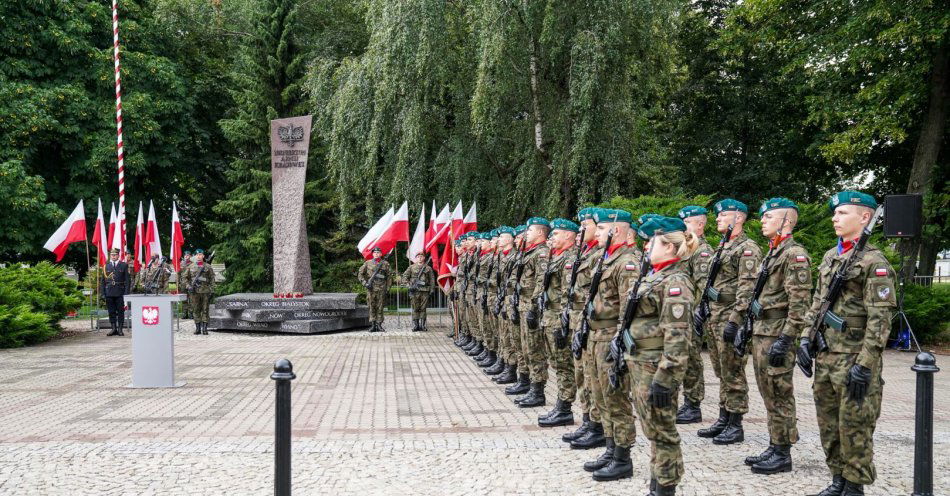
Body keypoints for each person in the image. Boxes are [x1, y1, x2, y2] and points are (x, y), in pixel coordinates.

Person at [799, 191, 895, 496]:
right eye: (835, 213)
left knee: (855, 427)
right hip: (826, 355)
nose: (834, 218)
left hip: (854, 358)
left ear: (864, 218)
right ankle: (837, 478)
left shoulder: (874, 262)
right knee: (829, 424)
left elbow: (881, 320)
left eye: (842, 213)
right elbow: (818, 302)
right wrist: (805, 338)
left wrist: (866, 365)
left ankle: (854, 486)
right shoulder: (831, 256)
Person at [623, 216, 697, 496]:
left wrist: (666, 379)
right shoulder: (654, 276)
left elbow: (677, 337)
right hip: (640, 362)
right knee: (652, 429)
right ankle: (657, 484)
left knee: (662, 431)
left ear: (668, 247)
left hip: (656, 368)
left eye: (651, 241)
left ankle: (665, 488)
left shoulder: (676, 282)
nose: (645, 246)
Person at [738, 198, 812, 475]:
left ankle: (783, 451)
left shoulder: (794, 254)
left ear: (786, 222)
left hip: (777, 333)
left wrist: (787, 337)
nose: (763, 221)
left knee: (780, 393)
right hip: (762, 332)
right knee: (768, 392)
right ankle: (775, 442)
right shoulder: (773, 252)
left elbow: (799, 303)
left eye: (769, 217)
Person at [697, 199, 761, 445]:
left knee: (733, 370)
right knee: (721, 369)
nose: (718, 219)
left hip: (730, 315)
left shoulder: (748, 248)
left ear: (739, 218)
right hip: (716, 313)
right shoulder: (724, 246)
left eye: (723, 215)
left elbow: (748, 287)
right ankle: (724, 417)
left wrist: (736, 320)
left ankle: (735, 423)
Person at [583, 209, 640, 482]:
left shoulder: (626, 262)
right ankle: (610, 446)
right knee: (601, 396)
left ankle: (622, 456)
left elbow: (628, 308)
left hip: (610, 337)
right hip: (596, 335)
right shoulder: (606, 259)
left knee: (616, 399)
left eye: (601, 227)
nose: (595, 232)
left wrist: (620, 340)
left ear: (615, 230)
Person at [563, 208, 606, 449]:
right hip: (580, 319)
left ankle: (597, 426)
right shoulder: (588, 253)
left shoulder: (601, 256)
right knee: (583, 374)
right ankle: (589, 421)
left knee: (592, 377)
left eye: (589, 225)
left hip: (594, 323)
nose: (582, 230)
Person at [537, 218, 580, 427]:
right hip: (550, 317)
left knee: (564, 364)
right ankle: (561, 404)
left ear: (568, 236)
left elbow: (568, 293)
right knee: (557, 363)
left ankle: (565, 408)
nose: (551, 237)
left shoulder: (570, 259)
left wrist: (564, 323)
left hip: (559, 319)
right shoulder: (558, 257)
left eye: (556, 234)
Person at [675, 206, 713, 424]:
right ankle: (687, 402)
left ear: (700, 224)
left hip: (691, 314)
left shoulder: (701, 251)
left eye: (687, 222)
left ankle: (693, 404)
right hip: (681, 313)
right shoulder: (686, 248)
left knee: (692, 359)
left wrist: (696, 312)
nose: (683, 227)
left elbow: (703, 286)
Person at [512, 218, 551, 408]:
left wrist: (534, 307)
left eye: (530, 230)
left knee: (535, 350)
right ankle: (528, 384)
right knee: (526, 348)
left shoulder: (542, 253)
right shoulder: (529, 252)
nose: (526, 233)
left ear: (540, 233)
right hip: (523, 304)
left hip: (531, 306)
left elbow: (541, 282)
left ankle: (538, 391)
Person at [499, 226, 528, 387]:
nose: (517, 240)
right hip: (510, 301)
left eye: (519, 237)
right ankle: (508, 367)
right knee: (508, 337)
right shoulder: (516, 257)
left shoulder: (525, 256)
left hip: (524, 305)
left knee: (523, 345)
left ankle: (526, 381)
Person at [486, 226, 516, 377]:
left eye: (501, 237)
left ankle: (511, 369)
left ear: (511, 238)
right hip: (500, 298)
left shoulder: (514, 256)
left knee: (509, 337)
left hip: (512, 301)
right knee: (501, 334)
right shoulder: (501, 256)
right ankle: (502, 362)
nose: (497, 240)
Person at [181, 249, 216, 335]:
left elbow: (212, 279)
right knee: (196, 310)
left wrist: (212, 290)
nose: (199, 256)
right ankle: (198, 328)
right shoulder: (191, 266)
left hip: (205, 291)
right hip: (194, 292)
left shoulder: (208, 266)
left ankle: (204, 328)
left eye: (200, 254)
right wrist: (188, 286)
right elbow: (185, 278)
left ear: (203, 256)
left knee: (205, 310)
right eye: (197, 255)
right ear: (195, 256)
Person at [357, 246, 391, 332]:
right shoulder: (367, 263)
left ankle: (379, 325)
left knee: (380, 307)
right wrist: (365, 283)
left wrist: (388, 288)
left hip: (381, 288)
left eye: (378, 253)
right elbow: (360, 274)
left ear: (381, 254)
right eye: (375, 253)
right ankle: (372, 325)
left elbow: (389, 277)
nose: (376, 254)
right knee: (371, 306)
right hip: (371, 289)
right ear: (372, 254)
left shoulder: (385, 264)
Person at [100, 248, 131, 336]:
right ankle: (113, 328)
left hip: (120, 291)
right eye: (112, 255)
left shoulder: (123, 265)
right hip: (109, 291)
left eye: (115, 255)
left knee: (120, 311)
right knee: (111, 311)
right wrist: (103, 293)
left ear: (118, 255)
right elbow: (103, 281)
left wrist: (126, 293)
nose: (113, 256)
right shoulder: (106, 266)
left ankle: (120, 329)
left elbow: (128, 280)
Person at [402, 252, 435, 332]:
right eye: (418, 257)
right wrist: (409, 285)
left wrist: (431, 289)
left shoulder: (428, 268)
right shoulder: (411, 267)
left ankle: (423, 325)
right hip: (415, 291)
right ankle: (416, 325)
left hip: (424, 290)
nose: (420, 258)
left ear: (424, 258)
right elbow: (405, 277)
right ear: (416, 258)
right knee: (415, 307)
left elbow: (432, 279)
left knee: (423, 308)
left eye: (421, 256)